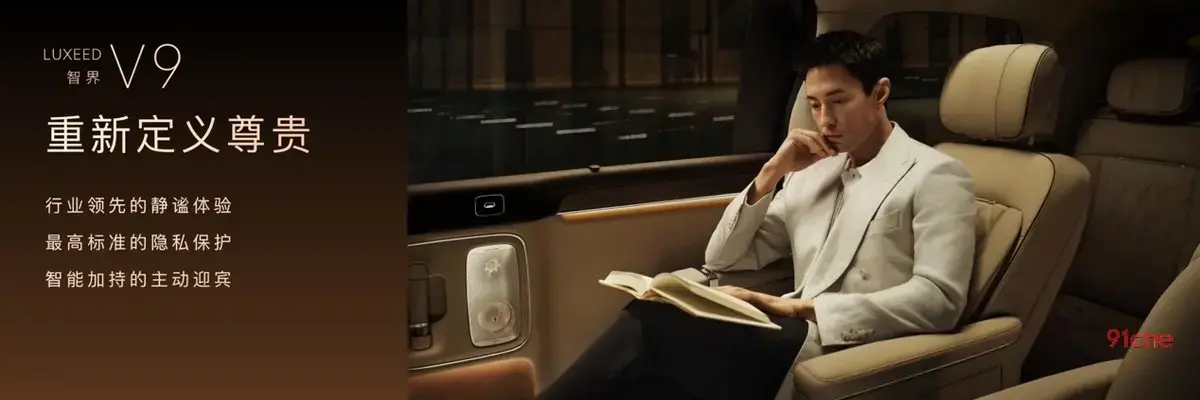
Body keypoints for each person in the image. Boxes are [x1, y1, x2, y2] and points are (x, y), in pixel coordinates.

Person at [538, 30, 976, 400]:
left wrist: (796, 307)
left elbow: (939, 299)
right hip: (788, 325)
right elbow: (723, 258)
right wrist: (771, 174)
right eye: (815, 104)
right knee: (652, 311)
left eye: (838, 101)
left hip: (842, 338)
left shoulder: (934, 174)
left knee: (661, 331)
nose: (825, 120)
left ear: (879, 93)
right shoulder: (812, 171)